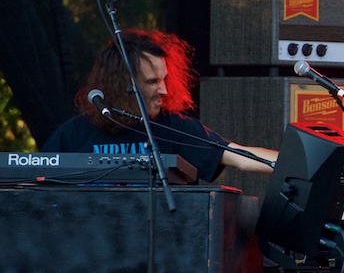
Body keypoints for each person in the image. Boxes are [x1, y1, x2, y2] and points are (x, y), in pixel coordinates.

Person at [42, 29, 277, 180]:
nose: (164, 90)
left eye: (165, 79)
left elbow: (241, 157)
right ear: (122, 83)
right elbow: (31, 187)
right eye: (152, 81)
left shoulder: (175, 128)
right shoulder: (73, 135)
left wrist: (305, 167)